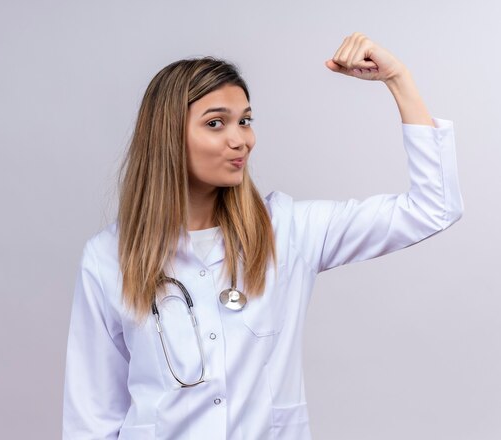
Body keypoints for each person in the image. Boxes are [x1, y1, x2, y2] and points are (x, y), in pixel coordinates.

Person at [62, 32, 463, 439]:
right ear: (168, 136)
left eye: (245, 121)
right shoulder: (108, 257)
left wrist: (398, 79)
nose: (241, 140)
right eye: (216, 123)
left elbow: (434, 207)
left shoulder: (288, 231)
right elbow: (91, 418)